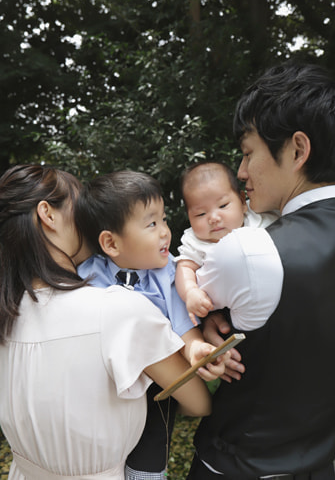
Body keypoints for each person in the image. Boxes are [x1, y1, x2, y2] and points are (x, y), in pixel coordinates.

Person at [0, 164, 212, 480]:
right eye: (79, 202)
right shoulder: (120, 310)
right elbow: (198, 403)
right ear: (48, 214)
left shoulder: (8, 316)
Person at [186, 60, 335, 479]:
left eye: (248, 153)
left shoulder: (249, 251)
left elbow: (192, 307)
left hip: (238, 465)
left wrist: (208, 323)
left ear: (297, 150)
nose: (241, 172)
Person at [75, 170, 242, 480]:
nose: (165, 231)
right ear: (111, 243)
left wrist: (199, 351)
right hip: (102, 396)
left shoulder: (170, 276)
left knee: (147, 462)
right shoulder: (86, 276)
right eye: (152, 223)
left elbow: (186, 334)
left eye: (164, 219)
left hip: (154, 395)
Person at [175, 161, 278, 325]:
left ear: (243, 202)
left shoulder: (259, 216)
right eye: (200, 214)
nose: (213, 218)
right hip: (235, 314)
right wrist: (190, 292)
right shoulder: (195, 241)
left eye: (223, 205)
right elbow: (185, 267)